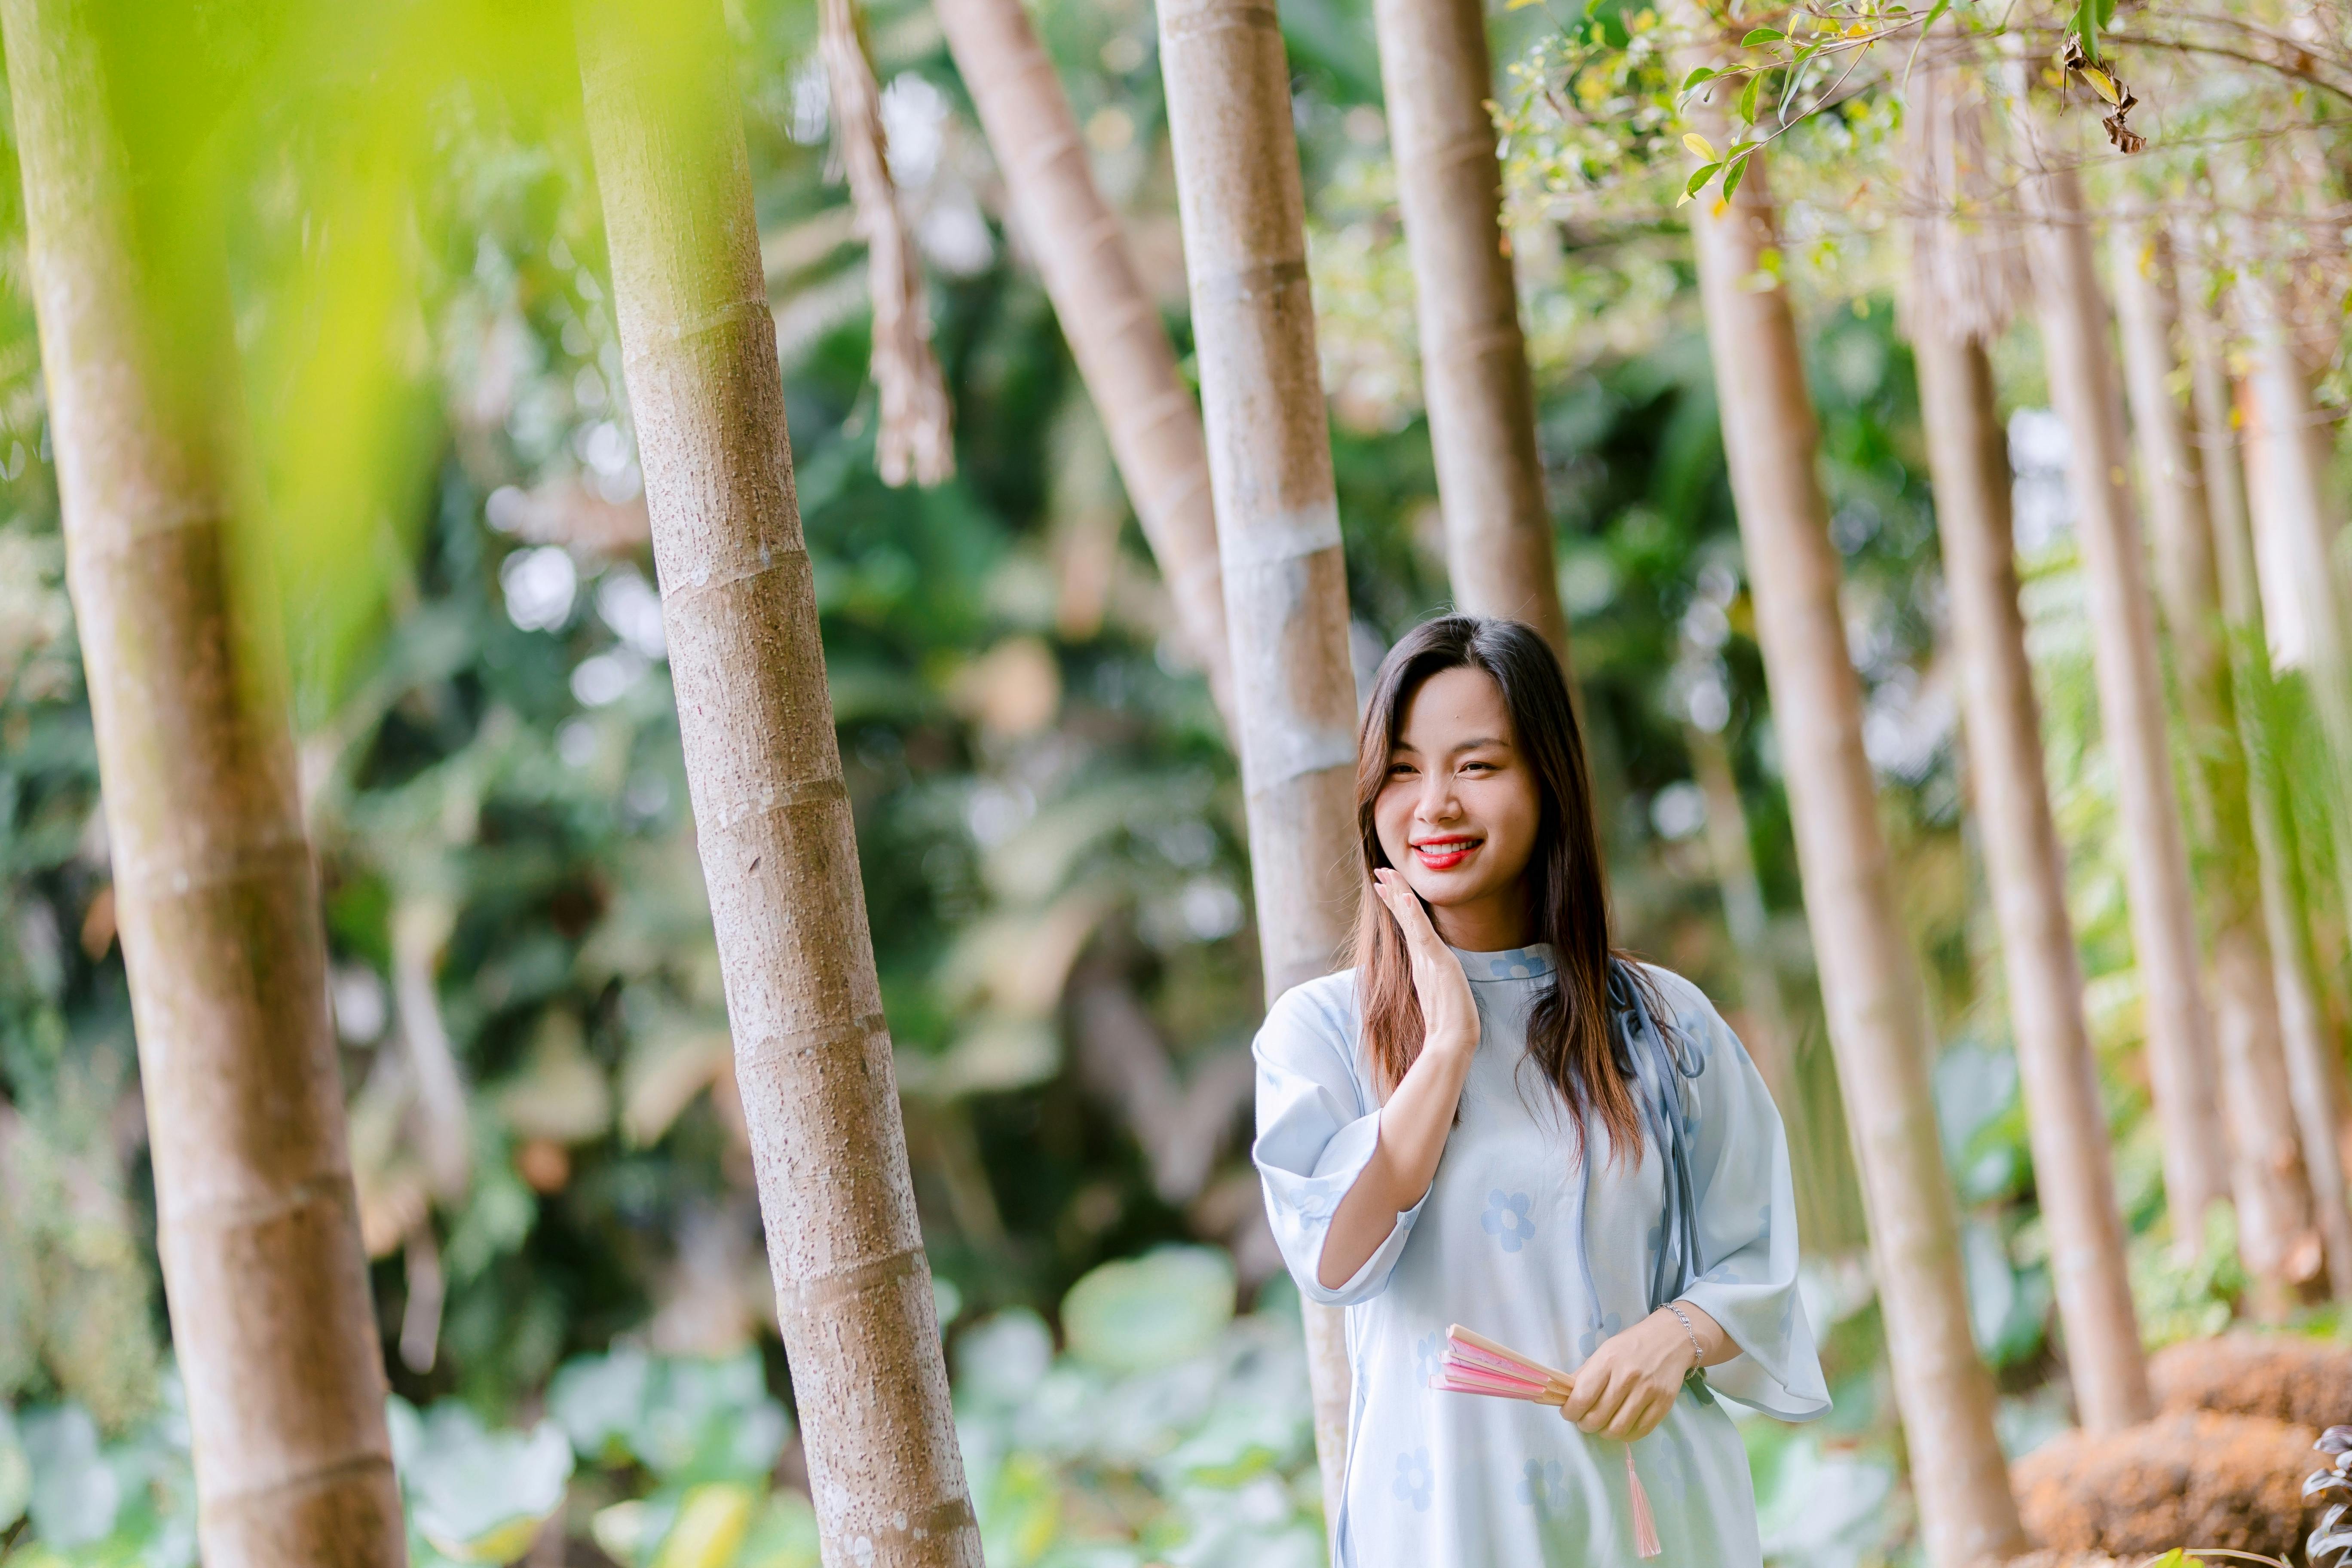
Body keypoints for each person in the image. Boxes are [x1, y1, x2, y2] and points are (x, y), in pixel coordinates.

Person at [1253, 615, 1828, 1566]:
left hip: (1652, 1514)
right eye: (1403, 769)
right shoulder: (1319, 1034)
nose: (1434, 804)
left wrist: (1677, 1335)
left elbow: (1756, 1259)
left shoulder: (1664, 1023)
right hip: (1447, 1528)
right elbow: (1333, 1259)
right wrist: (1446, 1049)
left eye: (1476, 766)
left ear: (1548, 783)